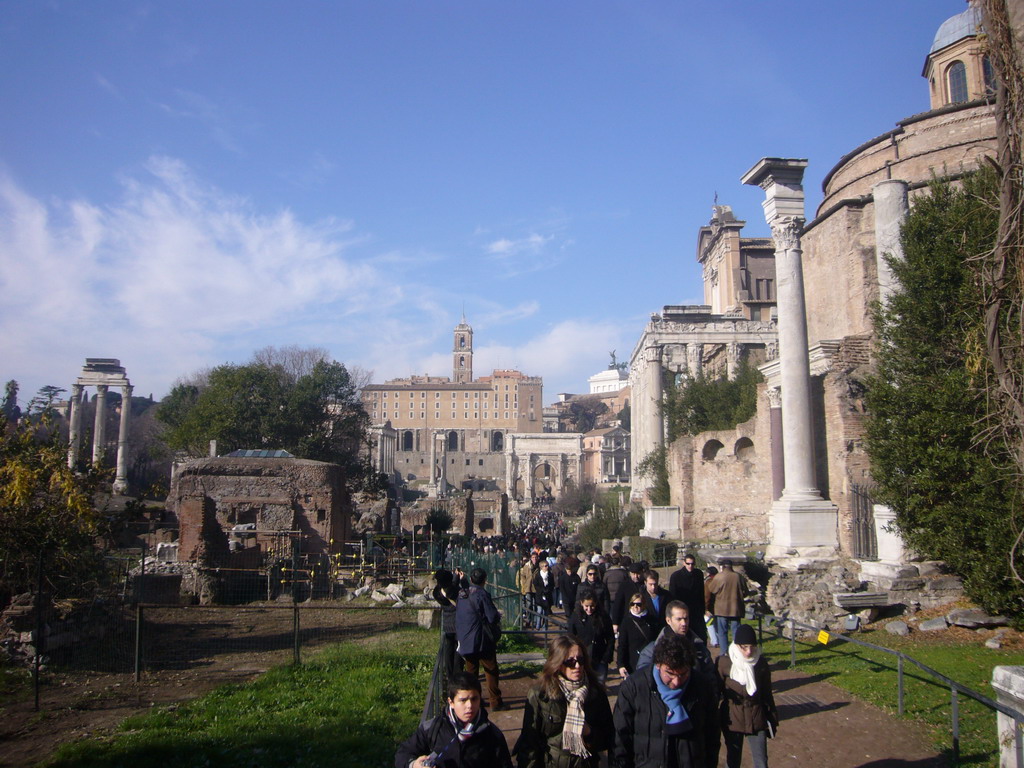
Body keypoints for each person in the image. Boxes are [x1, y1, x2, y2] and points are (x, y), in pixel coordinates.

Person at [612, 631, 719, 768]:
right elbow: (620, 738)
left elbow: (712, 735)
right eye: (670, 674)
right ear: (658, 664)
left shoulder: (702, 686)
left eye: (683, 674)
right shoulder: (634, 687)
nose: (676, 682)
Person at [515, 635, 614, 768]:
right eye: (570, 662)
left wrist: (589, 733)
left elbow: (609, 737)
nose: (577, 666)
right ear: (558, 663)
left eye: (580, 659)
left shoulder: (596, 693)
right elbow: (529, 743)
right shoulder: (541, 694)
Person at [395, 671, 513, 768]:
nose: (470, 706)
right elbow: (403, 754)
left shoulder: (493, 735)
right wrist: (414, 764)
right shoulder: (433, 728)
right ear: (451, 702)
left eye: (474, 699)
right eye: (463, 700)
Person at [716, 624, 778, 768]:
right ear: (737, 645)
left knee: (761, 762)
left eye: (752, 647)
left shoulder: (761, 663)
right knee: (733, 760)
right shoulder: (724, 663)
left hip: (757, 717)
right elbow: (716, 692)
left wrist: (772, 719)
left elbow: (767, 694)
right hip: (733, 718)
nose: (749, 651)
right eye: (744, 647)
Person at [456, 567, 506, 711]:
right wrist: (497, 616)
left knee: (471, 672)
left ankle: (472, 701)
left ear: (471, 579)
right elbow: (491, 616)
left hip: (466, 640)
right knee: (490, 669)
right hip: (482, 640)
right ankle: (495, 701)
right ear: (485, 581)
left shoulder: (462, 594)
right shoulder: (482, 594)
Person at [567, 591, 614, 683]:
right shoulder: (575, 617)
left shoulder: (603, 617)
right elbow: (570, 637)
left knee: (600, 684)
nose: (589, 609)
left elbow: (610, 637)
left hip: (600, 657)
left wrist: (607, 655)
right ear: (581, 603)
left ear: (596, 603)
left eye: (592, 606)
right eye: (586, 606)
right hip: (582, 658)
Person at [432, 568, 465, 684]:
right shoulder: (456, 591)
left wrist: (455, 578)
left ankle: (449, 674)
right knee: (459, 649)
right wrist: (462, 580)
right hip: (458, 622)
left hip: (447, 623)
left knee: (449, 648)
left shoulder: (437, 592)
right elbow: (458, 590)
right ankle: (458, 673)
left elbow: (450, 587)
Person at [616, 590, 659, 678]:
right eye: (633, 604)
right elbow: (622, 645)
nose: (635, 606)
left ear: (644, 605)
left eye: (638, 604)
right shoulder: (626, 621)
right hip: (632, 663)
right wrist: (621, 665)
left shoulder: (652, 620)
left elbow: (657, 641)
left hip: (649, 661)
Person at [708, 560, 748, 648]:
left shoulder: (719, 576)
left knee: (722, 632)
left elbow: (711, 589)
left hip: (721, 609)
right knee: (736, 632)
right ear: (731, 567)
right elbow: (745, 592)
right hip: (735, 609)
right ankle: (737, 651)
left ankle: (724, 653)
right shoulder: (738, 577)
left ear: (722, 567)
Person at [669, 555, 707, 643]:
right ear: (684, 563)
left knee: (700, 636)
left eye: (692, 564)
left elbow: (701, 593)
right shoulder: (676, 576)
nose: (690, 566)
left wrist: (702, 609)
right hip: (682, 610)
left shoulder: (698, 574)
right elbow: (673, 596)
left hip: (696, 611)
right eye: (688, 563)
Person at [610, 563, 645, 631]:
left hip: (643, 617)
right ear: (630, 573)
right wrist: (615, 622)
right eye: (633, 574)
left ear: (642, 572)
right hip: (628, 618)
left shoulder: (645, 584)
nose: (636, 576)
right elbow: (618, 603)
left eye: (638, 574)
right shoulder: (624, 585)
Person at [532, 558, 556, 629]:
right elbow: (536, 584)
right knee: (539, 611)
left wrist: (548, 590)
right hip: (540, 595)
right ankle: (538, 625)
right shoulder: (538, 575)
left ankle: (545, 626)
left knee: (546, 612)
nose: (546, 567)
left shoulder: (550, 575)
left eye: (547, 566)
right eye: (545, 566)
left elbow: (552, 584)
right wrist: (542, 590)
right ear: (541, 567)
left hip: (547, 596)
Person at [519, 553, 539, 626]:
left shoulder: (539, 566)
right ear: (531, 558)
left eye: (536, 557)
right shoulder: (527, 566)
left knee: (535, 605)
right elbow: (522, 575)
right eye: (533, 557)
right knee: (529, 604)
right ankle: (528, 620)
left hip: (536, 589)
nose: (534, 559)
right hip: (528, 588)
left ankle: (534, 621)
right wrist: (525, 584)